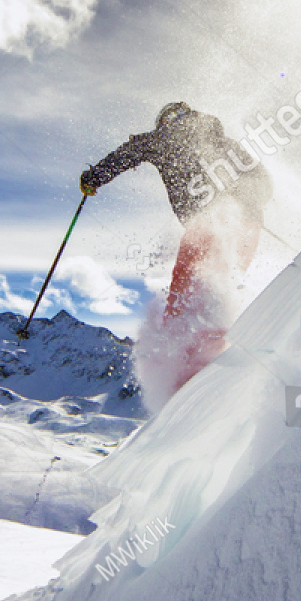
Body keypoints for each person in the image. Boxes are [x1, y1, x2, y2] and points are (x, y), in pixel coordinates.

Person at [81, 102, 273, 399]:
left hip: (208, 224)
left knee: (187, 291)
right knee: (220, 286)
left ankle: (184, 372)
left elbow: (128, 152)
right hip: (248, 228)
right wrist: (244, 200)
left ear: (166, 121)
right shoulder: (223, 141)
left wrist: (94, 178)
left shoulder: (163, 138)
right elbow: (263, 183)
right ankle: (216, 353)